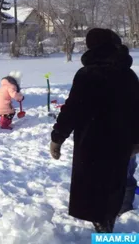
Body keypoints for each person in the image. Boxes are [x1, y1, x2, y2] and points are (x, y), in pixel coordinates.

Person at [49, 28, 139, 233]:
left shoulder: (87, 74)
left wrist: (58, 137)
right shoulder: (128, 74)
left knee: (94, 194)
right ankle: (110, 226)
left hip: (92, 143)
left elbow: (72, 109)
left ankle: (105, 232)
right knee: (114, 189)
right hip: (120, 141)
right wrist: (136, 140)